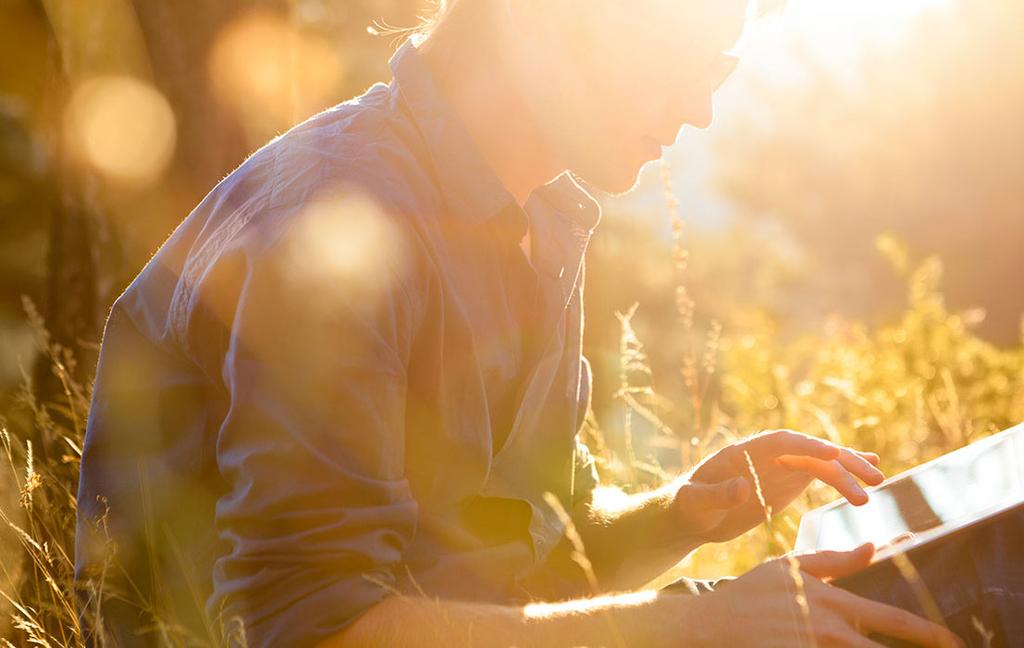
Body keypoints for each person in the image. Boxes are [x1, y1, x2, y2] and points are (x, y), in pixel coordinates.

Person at [75, 0, 966, 646]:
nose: (701, 107)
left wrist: (678, 517)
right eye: (683, 62)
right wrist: (688, 625)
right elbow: (313, 627)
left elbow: (534, 551)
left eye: (720, 72)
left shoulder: (545, 213)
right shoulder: (339, 225)